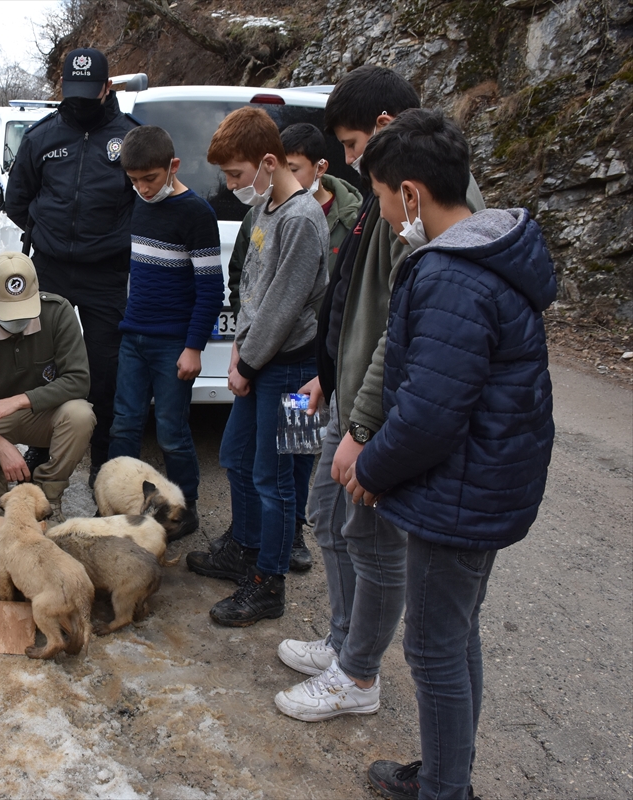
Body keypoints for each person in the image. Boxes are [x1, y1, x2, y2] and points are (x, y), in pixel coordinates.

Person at [348, 108, 555, 800]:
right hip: (486, 482)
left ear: (410, 193)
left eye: (379, 196)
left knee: (434, 649)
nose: (379, 211)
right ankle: (448, 773)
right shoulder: (487, 252)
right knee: (456, 637)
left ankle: (444, 790)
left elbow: (430, 415)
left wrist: (372, 469)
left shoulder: (452, 276)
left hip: (458, 491)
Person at [272, 66, 486, 726]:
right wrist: (324, 372)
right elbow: (353, 298)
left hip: (378, 406)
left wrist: (364, 427)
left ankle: (358, 672)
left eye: (355, 143)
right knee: (328, 515)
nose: (351, 159)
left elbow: (403, 327)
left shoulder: (426, 201)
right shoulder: (380, 189)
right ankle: (342, 640)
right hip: (341, 386)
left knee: (372, 539)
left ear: (388, 128)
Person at [185, 107, 328, 626]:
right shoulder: (266, 209)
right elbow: (252, 290)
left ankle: (269, 581)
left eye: (237, 175)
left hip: (292, 369)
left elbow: (284, 307)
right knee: (237, 457)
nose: (231, 186)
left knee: (279, 476)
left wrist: (245, 360)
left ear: (269, 162)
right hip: (260, 362)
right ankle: (243, 548)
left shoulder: (302, 219)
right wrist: (244, 354)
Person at [4, 47, 139, 485]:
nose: (80, 99)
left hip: (107, 274)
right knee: (42, 363)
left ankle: (103, 463)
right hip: (52, 268)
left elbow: (145, 200)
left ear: (107, 88)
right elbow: (17, 200)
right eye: (72, 90)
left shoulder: (130, 137)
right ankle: (42, 447)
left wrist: (112, 241)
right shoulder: (42, 137)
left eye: (90, 91)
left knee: (105, 370)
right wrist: (49, 235)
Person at [107, 125, 221, 540]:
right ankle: (120, 502)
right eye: (133, 180)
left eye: (150, 179)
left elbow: (211, 288)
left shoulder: (196, 214)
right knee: (124, 424)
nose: (142, 188)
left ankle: (184, 509)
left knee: (172, 431)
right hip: (133, 336)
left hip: (172, 343)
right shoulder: (137, 203)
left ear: (173, 166)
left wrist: (193, 347)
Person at [0, 252, 95, 520]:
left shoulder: (58, 312)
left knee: (81, 415)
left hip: (44, 415)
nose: (18, 323)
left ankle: (49, 492)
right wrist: (0, 445)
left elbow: (79, 380)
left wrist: (19, 400)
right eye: (9, 313)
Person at [281, 122, 363, 265]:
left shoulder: (354, 221)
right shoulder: (263, 212)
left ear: (320, 168)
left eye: (293, 170)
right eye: (280, 171)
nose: (285, 179)